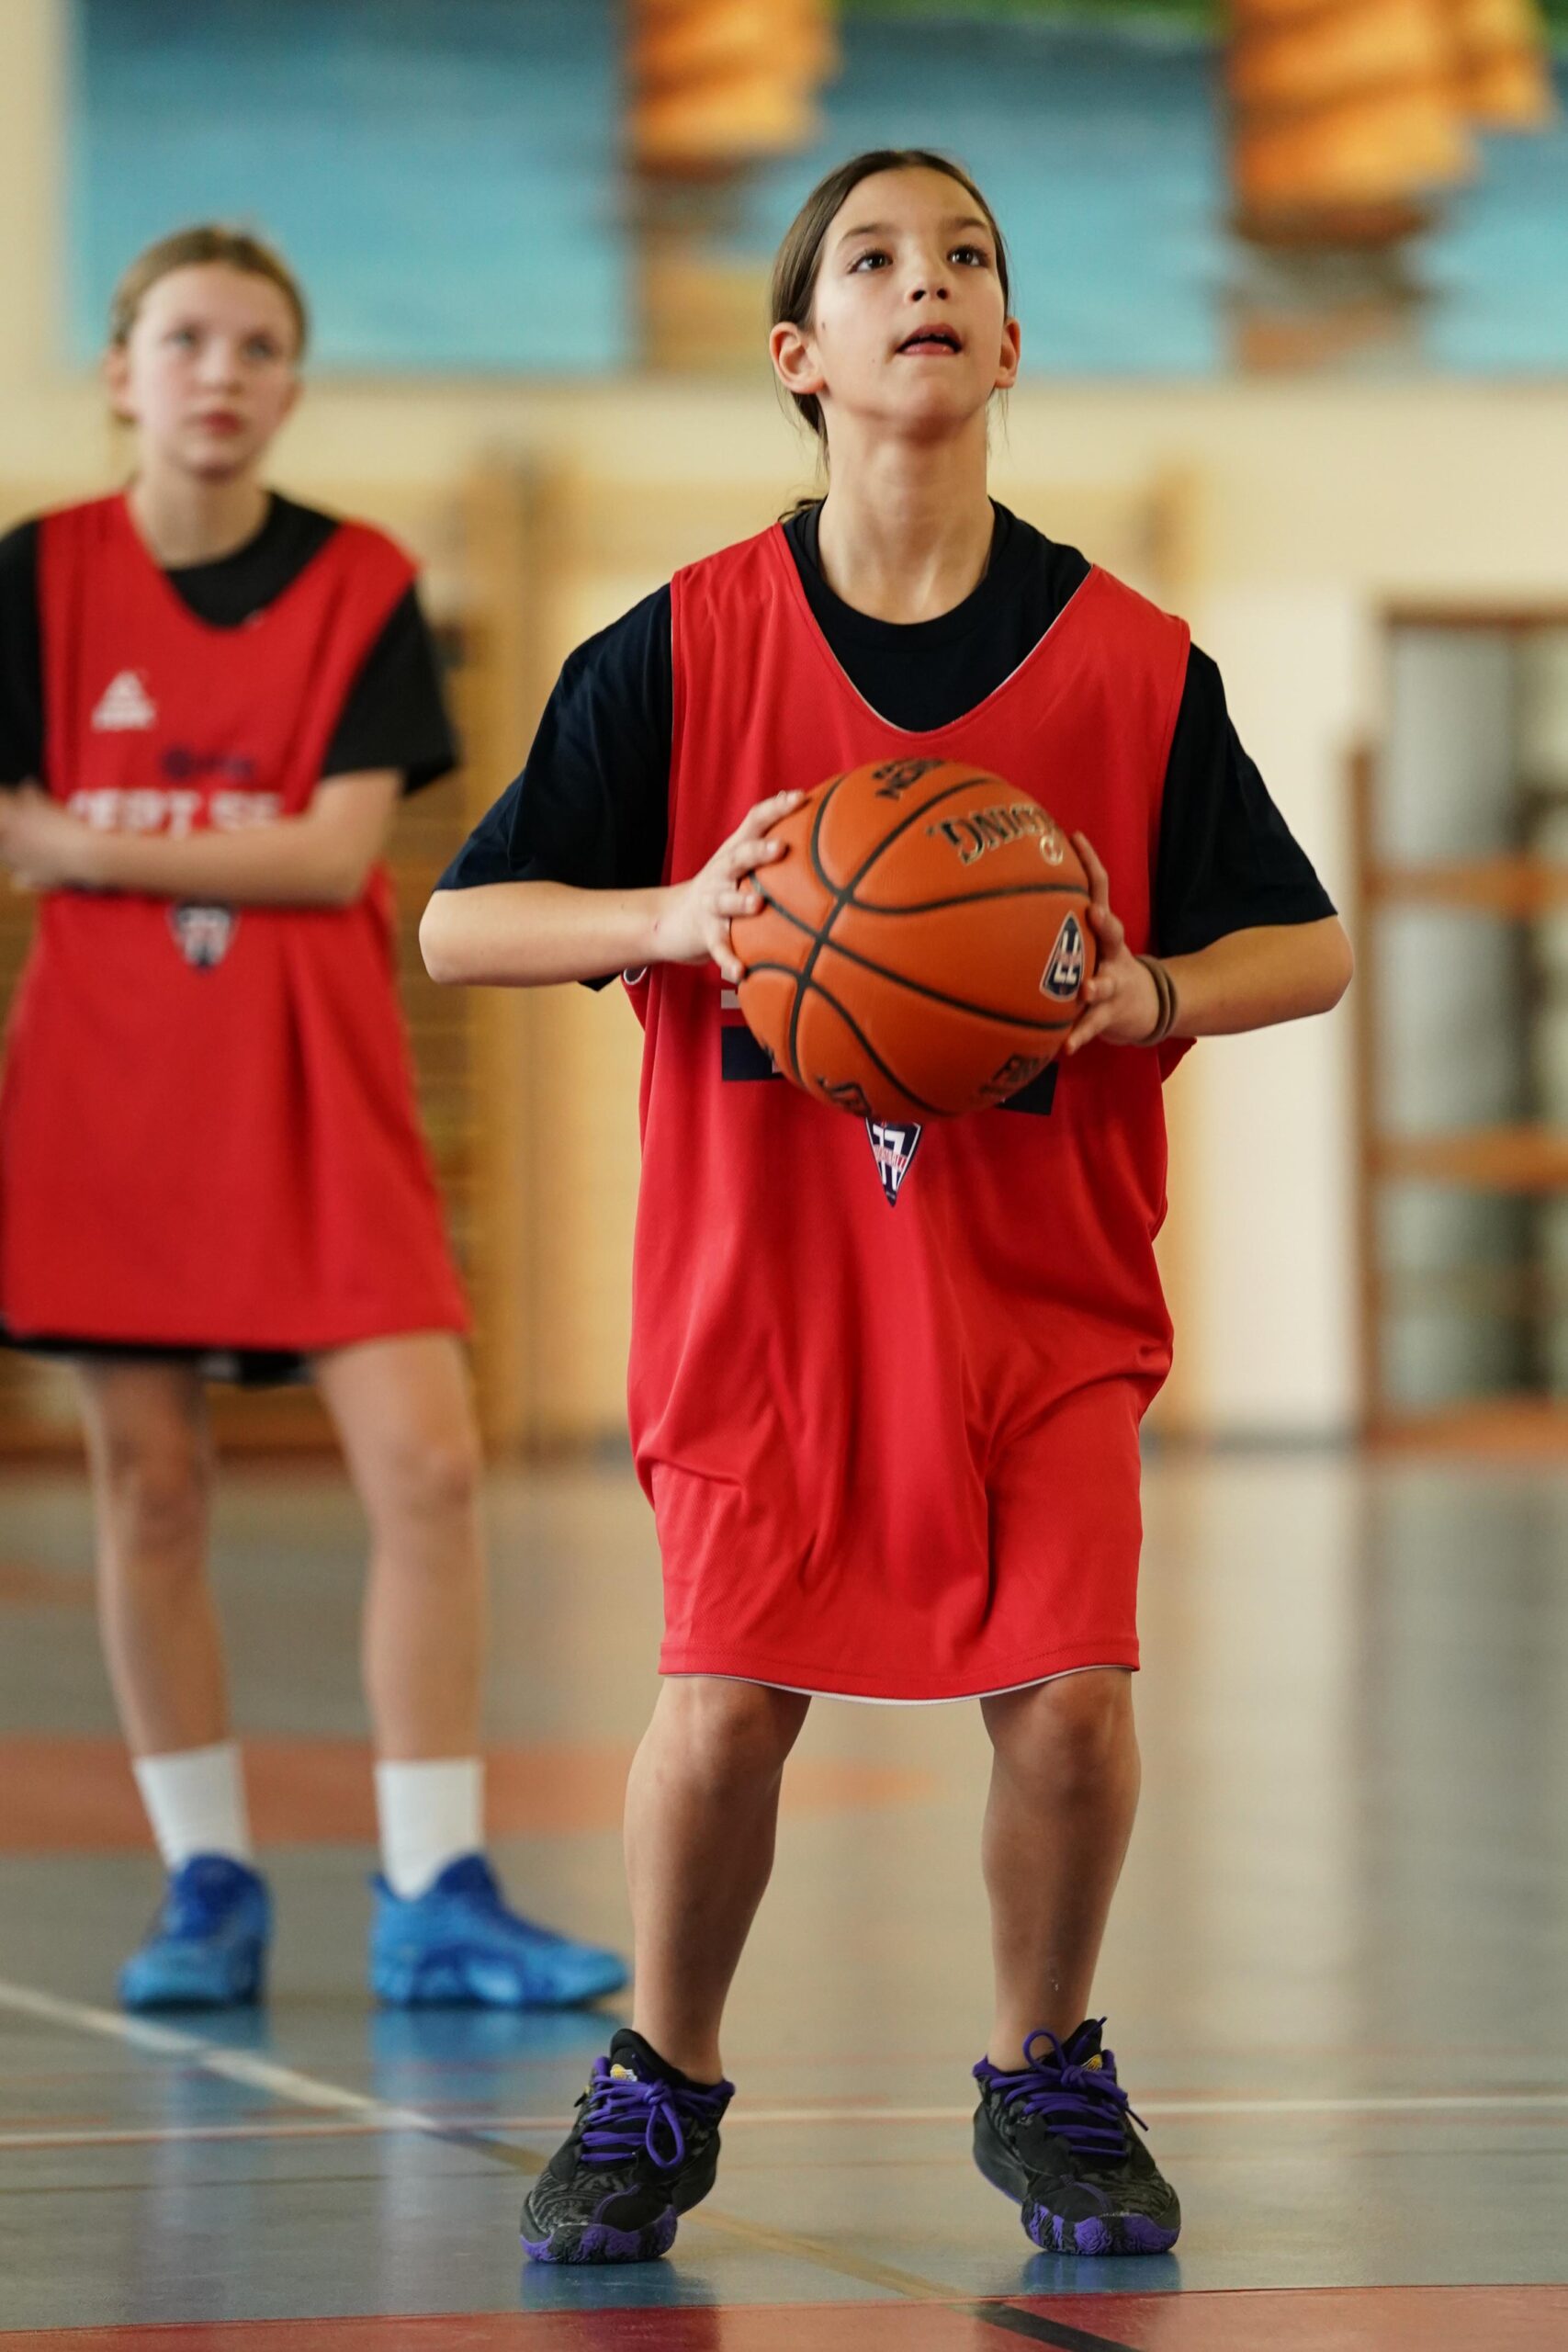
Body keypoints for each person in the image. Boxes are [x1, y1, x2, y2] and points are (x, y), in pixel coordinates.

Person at [421, 150, 1353, 2261]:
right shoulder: (676, 652)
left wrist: (1150, 990)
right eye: (870, 258)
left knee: (1073, 1701)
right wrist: (675, 914)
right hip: (766, 1296)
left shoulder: (1131, 664)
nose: (921, 278)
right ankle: (659, 2078)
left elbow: (1304, 946)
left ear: (1007, 340)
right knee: (723, 1707)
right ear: (799, 352)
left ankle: (1042, 2069)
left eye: (963, 256)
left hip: (1036, 1290)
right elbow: (458, 926)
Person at [0, 224, 626, 2016]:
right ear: (121, 371)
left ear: (290, 385)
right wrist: (150, 851)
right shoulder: (35, 577)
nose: (221, 372)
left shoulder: (361, 582)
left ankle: (435, 1886)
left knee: (427, 1467)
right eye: (187, 339)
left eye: (258, 345)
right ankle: (205, 1879)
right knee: (151, 1485)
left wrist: (84, 841)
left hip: (312, 1078)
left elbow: (332, 851)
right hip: (109, 1086)